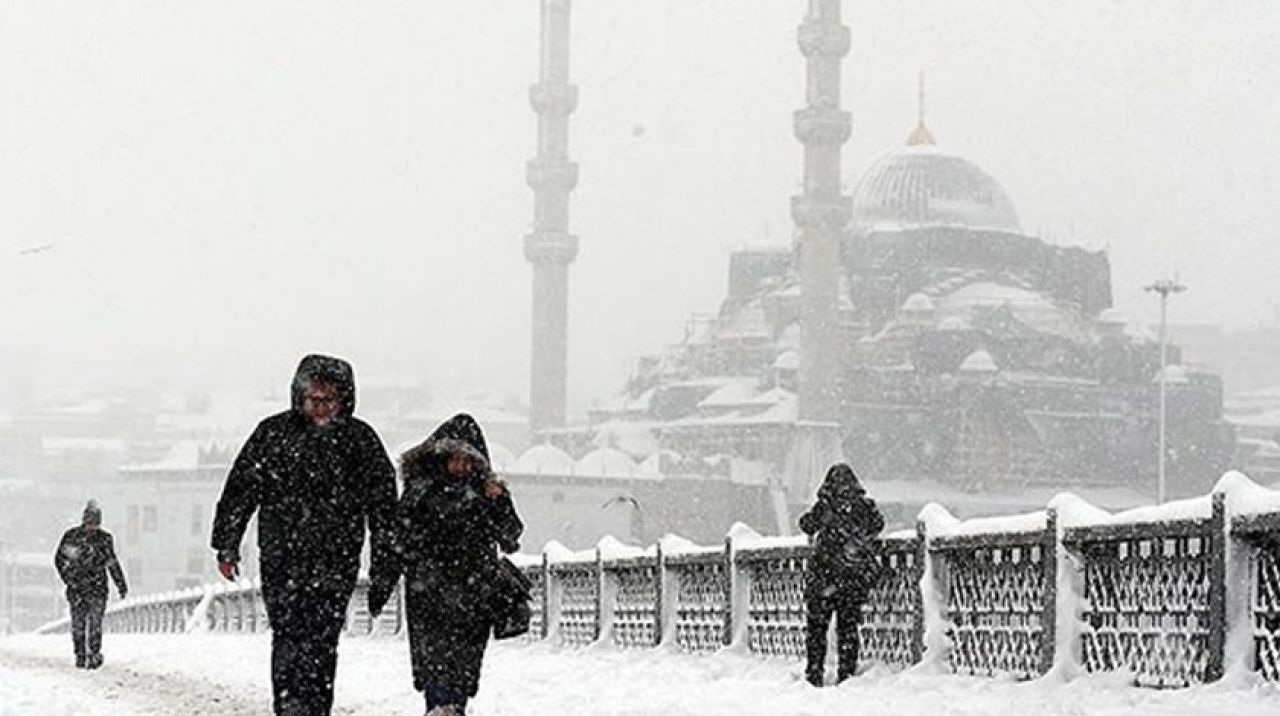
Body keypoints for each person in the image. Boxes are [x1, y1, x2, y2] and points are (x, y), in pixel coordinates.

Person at [210, 354, 399, 716]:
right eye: (314, 399)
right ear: (299, 397)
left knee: (323, 639)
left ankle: (313, 707)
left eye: (329, 400)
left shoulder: (360, 441)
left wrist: (384, 567)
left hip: (336, 559)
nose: (320, 408)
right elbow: (241, 490)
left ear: (344, 400)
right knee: (287, 635)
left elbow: (384, 510)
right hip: (283, 556)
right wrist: (227, 544)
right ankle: (289, 706)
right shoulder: (273, 434)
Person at [370, 413, 523, 716]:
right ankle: (440, 706)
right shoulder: (420, 493)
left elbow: (510, 537)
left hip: (473, 592)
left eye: (469, 462)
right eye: (456, 460)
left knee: (465, 661)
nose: (462, 468)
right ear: (440, 457)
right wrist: (382, 585)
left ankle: (453, 707)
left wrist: (499, 500)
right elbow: (397, 541)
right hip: (430, 591)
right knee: (434, 659)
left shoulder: (484, 494)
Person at [798, 463, 884, 687]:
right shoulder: (863, 506)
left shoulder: (825, 506)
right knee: (848, 630)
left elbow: (806, 525)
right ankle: (846, 674)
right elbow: (878, 525)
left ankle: (814, 673)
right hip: (851, 579)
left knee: (817, 630)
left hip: (824, 577)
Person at [54, 500, 128, 669]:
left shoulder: (104, 540)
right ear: (84, 521)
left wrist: (120, 583)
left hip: (97, 589)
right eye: (89, 524)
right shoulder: (72, 537)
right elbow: (59, 560)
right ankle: (80, 654)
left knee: (95, 623)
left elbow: (112, 563)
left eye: (94, 524)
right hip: (77, 588)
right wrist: (69, 578)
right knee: (78, 623)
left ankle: (94, 653)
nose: (91, 528)